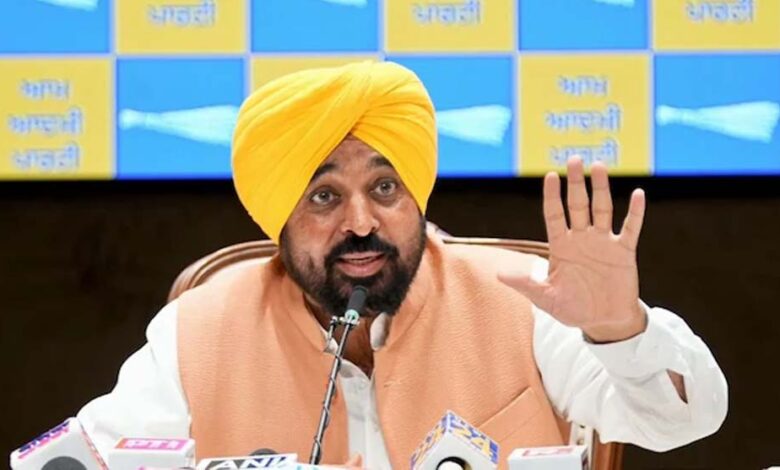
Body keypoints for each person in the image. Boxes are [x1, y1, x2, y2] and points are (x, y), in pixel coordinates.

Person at [77, 61, 727, 469]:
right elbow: (86, 459)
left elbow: (685, 420)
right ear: (279, 218)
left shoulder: (519, 300)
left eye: (385, 188)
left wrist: (620, 330)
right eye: (325, 196)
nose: (361, 222)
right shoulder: (199, 328)